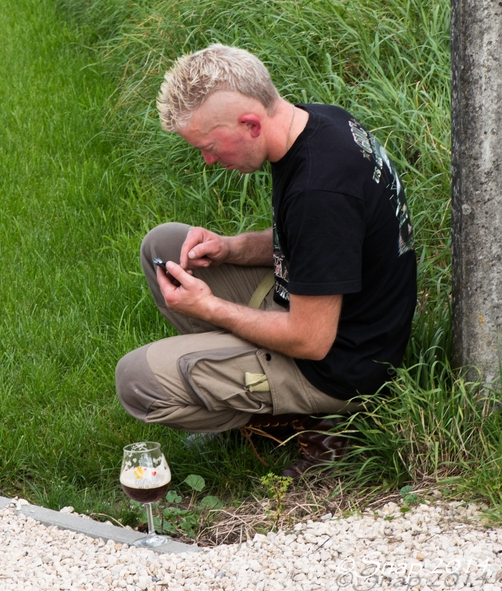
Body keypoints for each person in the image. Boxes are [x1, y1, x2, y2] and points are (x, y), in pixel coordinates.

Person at [115, 44, 417, 478]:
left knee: (137, 380)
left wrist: (210, 308)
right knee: (163, 247)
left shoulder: (320, 192)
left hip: (336, 367)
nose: (208, 160)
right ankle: (238, 369)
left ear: (251, 124)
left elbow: (311, 339)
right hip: (314, 307)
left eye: (210, 147)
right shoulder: (319, 122)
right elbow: (318, 240)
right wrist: (232, 247)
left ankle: (312, 422)